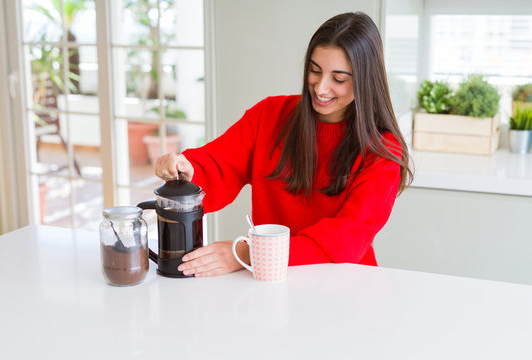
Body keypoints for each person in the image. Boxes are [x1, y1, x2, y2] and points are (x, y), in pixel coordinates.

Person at [154, 12, 413, 277]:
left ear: (365, 81)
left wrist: (246, 252)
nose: (321, 88)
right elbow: (218, 165)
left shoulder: (383, 150)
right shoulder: (270, 115)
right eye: (314, 70)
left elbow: (345, 241)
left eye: (339, 79)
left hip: (345, 286)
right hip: (271, 281)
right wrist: (185, 169)